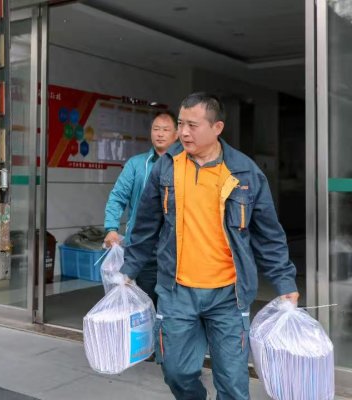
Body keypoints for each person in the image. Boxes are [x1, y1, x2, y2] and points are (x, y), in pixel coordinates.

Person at [120, 93, 299, 400]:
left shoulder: (244, 172)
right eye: (180, 124)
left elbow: (268, 233)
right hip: (177, 292)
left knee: (233, 383)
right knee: (176, 371)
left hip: (229, 295)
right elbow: (146, 224)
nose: (183, 132)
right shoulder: (167, 167)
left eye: (192, 125)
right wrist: (129, 269)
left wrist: (285, 281)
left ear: (217, 128)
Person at [103, 110, 178, 302]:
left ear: (176, 134)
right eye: (156, 129)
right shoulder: (136, 164)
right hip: (141, 246)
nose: (160, 134)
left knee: (173, 304)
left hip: (175, 249)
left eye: (165, 130)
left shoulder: (184, 165)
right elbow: (118, 196)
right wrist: (111, 228)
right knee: (145, 302)